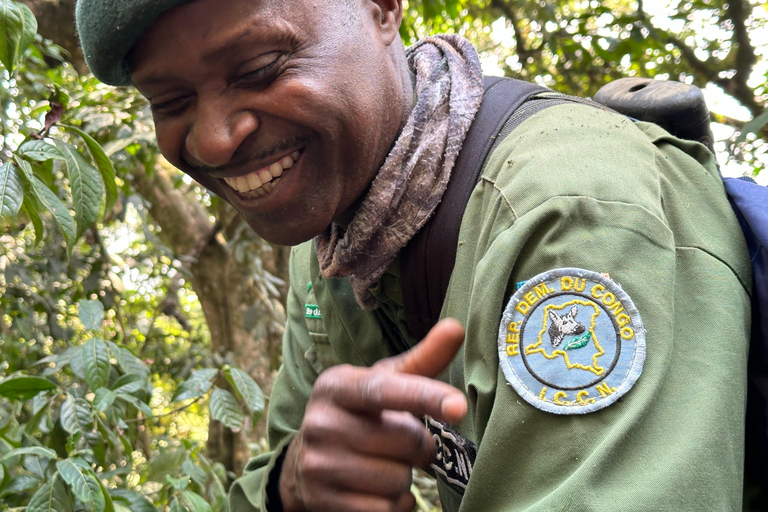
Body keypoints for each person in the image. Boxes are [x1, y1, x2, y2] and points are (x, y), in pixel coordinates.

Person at [75, 0, 752, 510]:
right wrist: (298, 482)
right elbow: (275, 478)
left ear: (383, 7)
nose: (216, 140)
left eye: (259, 69)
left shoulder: (573, 216)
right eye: (170, 101)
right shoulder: (330, 245)